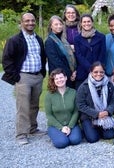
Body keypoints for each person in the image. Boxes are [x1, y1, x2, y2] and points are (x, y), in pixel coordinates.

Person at [2, 13, 47, 145]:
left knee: (34, 105)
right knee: (23, 106)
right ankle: (21, 134)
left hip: (37, 76)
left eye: (32, 20)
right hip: (23, 77)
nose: (30, 23)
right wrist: (16, 77)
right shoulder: (15, 40)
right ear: (21, 22)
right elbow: (6, 60)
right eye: (27, 21)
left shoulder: (38, 38)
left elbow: (42, 56)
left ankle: (32, 128)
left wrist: (42, 73)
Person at [76, 62, 114, 143]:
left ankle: (98, 128)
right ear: (91, 72)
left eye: (101, 72)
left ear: (104, 72)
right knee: (93, 139)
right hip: (89, 117)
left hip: (105, 115)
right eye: (96, 72)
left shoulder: (109, 84)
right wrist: (96, 114)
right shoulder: (84, 86)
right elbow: (80, 105)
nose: (99, 74)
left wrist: (107, 112)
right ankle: (88, 129)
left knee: (110, 135)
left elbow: (113, 101)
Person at [45, 69, 82, 148]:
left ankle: (69, 133)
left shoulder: (73, 92)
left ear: (65, 78)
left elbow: (76, 111)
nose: (59, 80)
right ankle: (55, 134)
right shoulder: (49, 95)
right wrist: (61, 128)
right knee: (61, 143)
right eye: (56, 79)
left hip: (71, 124)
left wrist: (70, 126)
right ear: (54, 81)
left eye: (61, 77)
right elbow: (49, 115)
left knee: (75, 140)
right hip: (55, 126)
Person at [45, 15, 77, 88]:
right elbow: (55, 61)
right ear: (51, 26)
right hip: (59, 76)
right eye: (56, 24)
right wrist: (69, 74)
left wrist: (74, 71)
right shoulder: (50, 41)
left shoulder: (63, 40)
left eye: (60, 24)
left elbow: (71, 57)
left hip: (69, 74)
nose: (59, 26)